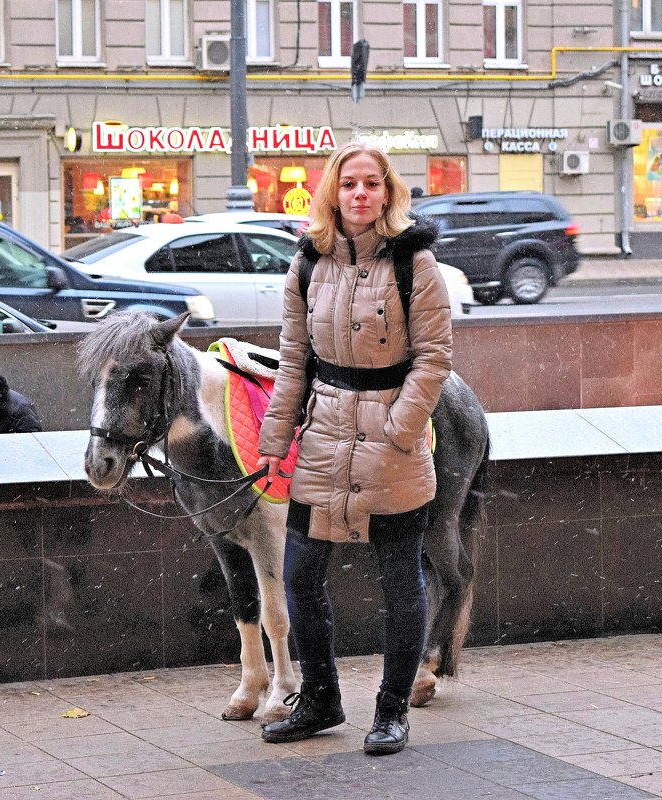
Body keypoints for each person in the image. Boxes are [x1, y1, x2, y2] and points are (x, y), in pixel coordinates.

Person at [255, 143, 452, 756]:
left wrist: (397, 428)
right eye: (349, 185)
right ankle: (320, 700)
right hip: (321, 436)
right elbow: (293, 362)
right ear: (332, 193)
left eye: (372, 184)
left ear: (389, 192)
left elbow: (434, 359)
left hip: (392, 442)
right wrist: (274, 440)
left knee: (400, 581)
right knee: (300, 575)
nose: (360, 194)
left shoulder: (414, 264)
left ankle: (392, 710)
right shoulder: (307, 264)